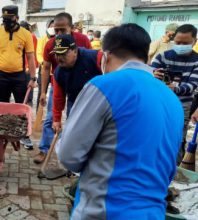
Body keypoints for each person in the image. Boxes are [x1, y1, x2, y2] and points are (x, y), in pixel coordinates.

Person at [56, 23, 184, 219]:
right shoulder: (172, 99)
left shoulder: (104, 85)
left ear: (106, 55)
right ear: (145, 56)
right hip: (153, 213)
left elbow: (69, 156)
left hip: (106, 211)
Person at [34, 12, 91, 163]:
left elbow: (92, 62)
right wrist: (43, 91)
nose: (58, 34)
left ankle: (71, 153)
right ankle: (44, 149)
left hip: (80, 88)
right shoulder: (50, 43)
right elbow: (46, 68)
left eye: (62, 30)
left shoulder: (83, 40)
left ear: (71, 28)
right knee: (51, 118)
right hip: (58, 84)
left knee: (75, 119)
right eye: (56, 30)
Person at [0, 5, 37, 149]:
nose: (7, 21)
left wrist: (33, 79)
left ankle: (23, 135)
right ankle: (2, 133)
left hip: (19, 76)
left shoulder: (26, 34)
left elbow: (31, 57)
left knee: (21, 107)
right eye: (5, 18)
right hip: (1, 76)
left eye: (10, 18)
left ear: (17, 18)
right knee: (2, 106)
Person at [152, 24, 198, 165]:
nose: (180, 45)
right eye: (178, 42)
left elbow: (193, 84)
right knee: (155, 134)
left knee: (177, 138)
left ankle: (174, 168)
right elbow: (149, 74)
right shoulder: (162, 56)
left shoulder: (196, 61)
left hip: (182, 105)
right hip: (158, 102)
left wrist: (175, 89)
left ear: (194, 42)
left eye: (185, 43)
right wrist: (154, 74)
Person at [51, 34, 102, 133]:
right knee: (73, 131)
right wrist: (56, 120)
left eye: (63, 54)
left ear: (75, 51)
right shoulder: (58, 73)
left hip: (99, 101)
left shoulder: (95, 57)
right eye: (57, 54)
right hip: (75, 101)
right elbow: (58, 97)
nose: (59, 58)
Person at [35, 19, 54, 110]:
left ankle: (52, 114)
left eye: (54, 26)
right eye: (51, 26)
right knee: (41, 92)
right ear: (47, 27)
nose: (53, 28)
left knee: (55, 93)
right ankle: (39, 112)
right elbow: (38, 53)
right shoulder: (42, 39)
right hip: (44, 69)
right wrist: (44, 62)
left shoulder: (58, 39)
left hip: (55, 71)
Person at [20, 20, 38, 107]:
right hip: (21, 65)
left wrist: (28, 66)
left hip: (28, 65)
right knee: (24, 85)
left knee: (29, 84)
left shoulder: (31, 37)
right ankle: (25, 102)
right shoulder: (21, 36)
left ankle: (28, 103)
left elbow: (32, 53)